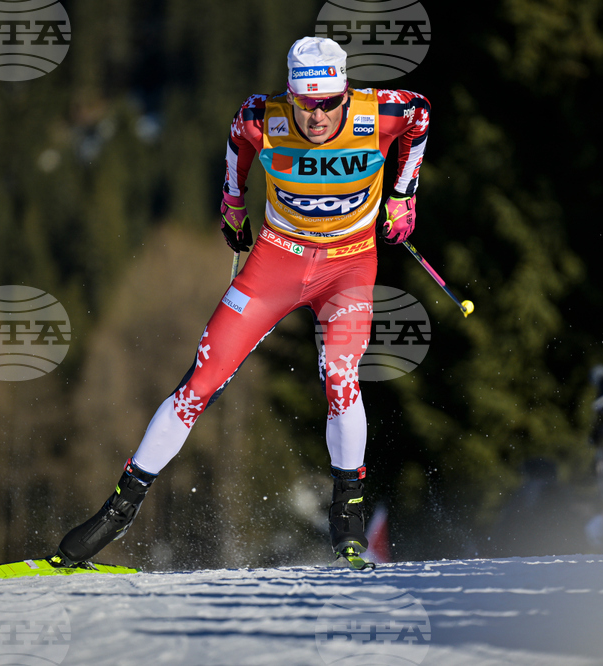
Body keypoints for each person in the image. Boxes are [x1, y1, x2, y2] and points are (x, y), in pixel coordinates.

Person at [54, 36, 431, 565]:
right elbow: (238, 143)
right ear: (291, 95)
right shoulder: (262, 118)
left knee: (341, 379)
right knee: (197, 385)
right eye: (305, 103)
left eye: (328, 103)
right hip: (277, 263)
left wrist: (402, 194)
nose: (316, 116)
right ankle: (117, 513)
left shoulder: (382, 111)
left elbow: (421, 116)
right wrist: (232, 204)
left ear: (346, 93)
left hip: (348, 267)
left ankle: (348, 513)